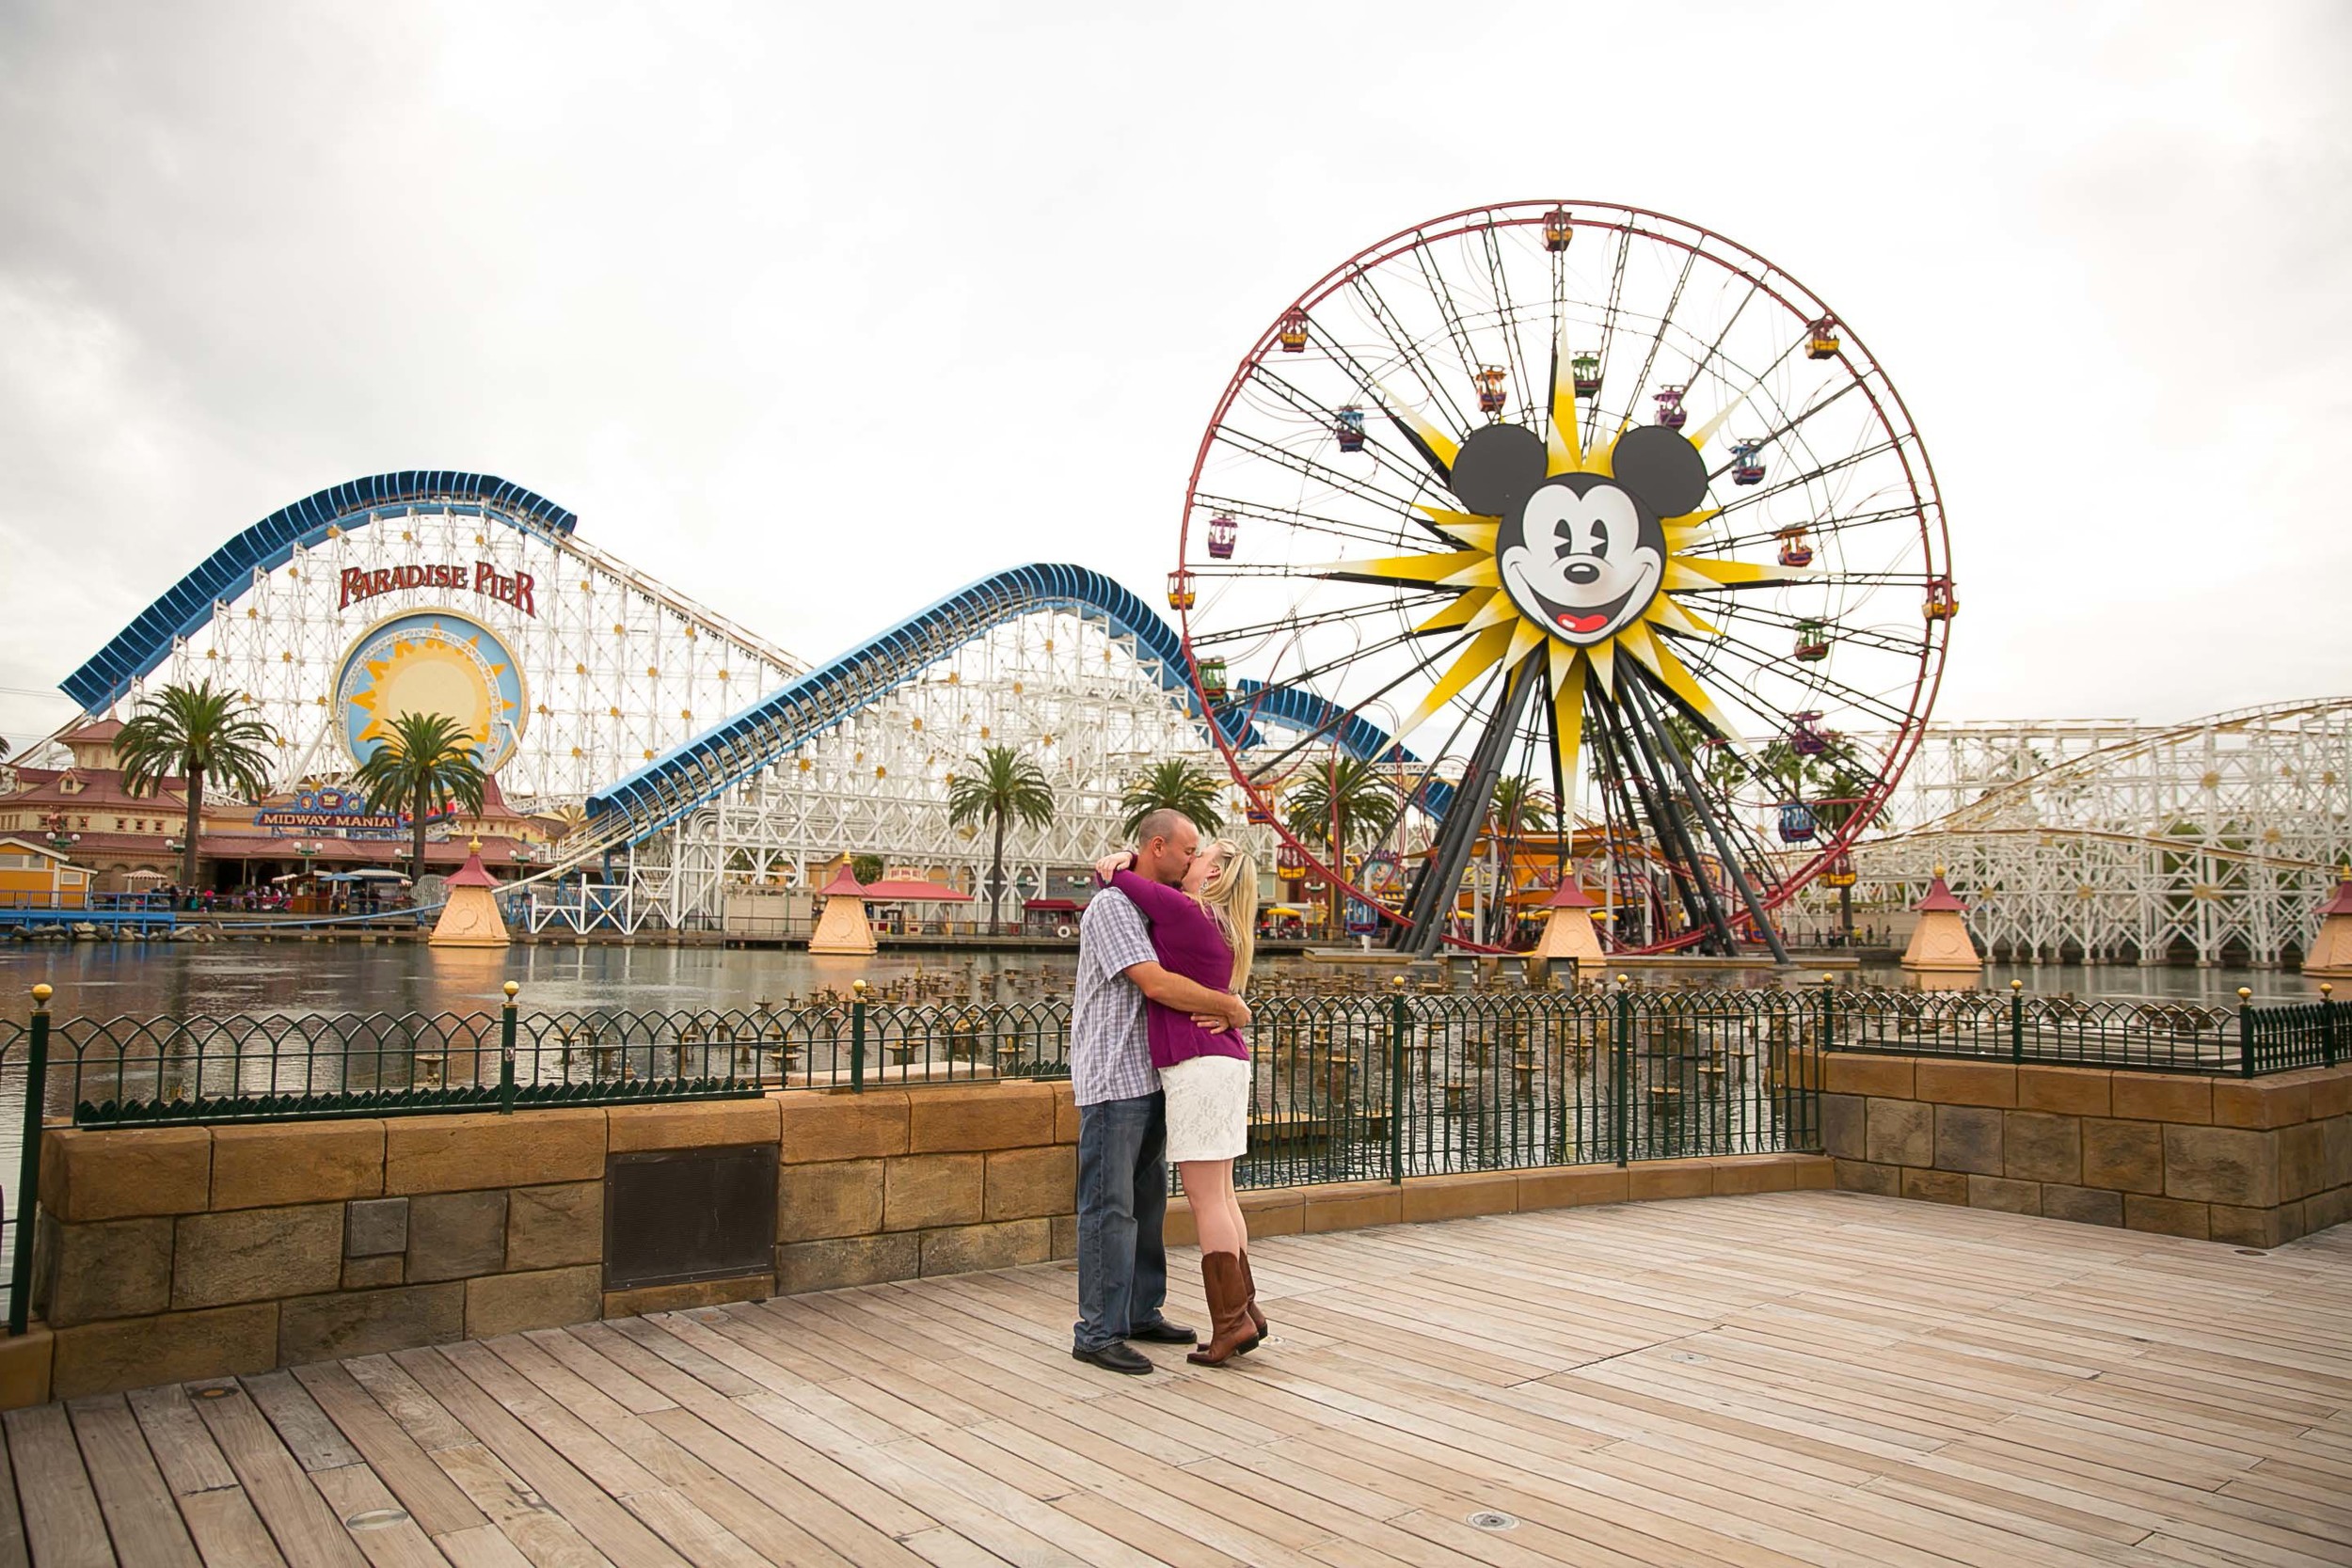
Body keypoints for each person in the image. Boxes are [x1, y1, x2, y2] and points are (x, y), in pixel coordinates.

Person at [1069, 809, 1251, 1376]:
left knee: (1147, 1205)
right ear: (1158, 847)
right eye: (1188, 849)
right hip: (1112, 1078)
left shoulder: (1154, 906)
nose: (1192, 859)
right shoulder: (1114, 906)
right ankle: (1098, 1330)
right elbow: (1153, 982)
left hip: (1154, 1076)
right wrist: (1231, 1006)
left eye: (1200, 854)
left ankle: (1142, 1309)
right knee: (1109, 1208)